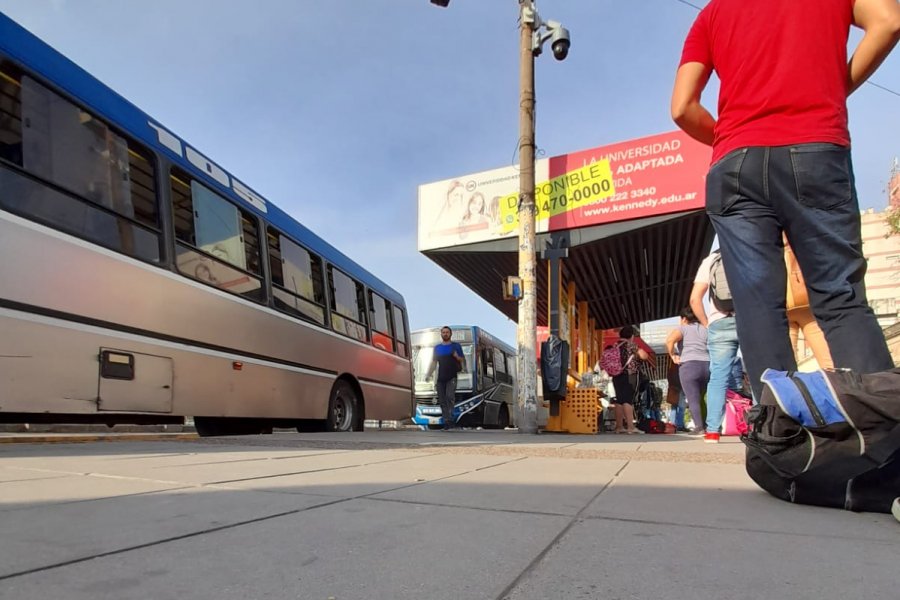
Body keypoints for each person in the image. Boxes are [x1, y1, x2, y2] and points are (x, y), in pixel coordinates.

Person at [671, 0, 899, 401]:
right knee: (839, 297)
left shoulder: (711, 14)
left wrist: (731, 139)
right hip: (814, 145)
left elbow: (682, 107)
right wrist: (834, 88)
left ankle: (786, 441)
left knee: (758, 309)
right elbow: (889, 20)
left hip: (734, 164)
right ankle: (882, 438)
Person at [690, 252, 742, 443]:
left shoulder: (712, 259)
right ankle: (764, 426)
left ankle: (712, 430)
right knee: (757, 372)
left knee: (718, 378)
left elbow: (695, 299)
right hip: (750, 318)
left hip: (719, 322)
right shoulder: (752, 246)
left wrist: (707, 323)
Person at [784, 234, 834, 370]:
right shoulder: (800, 236)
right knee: (828, 361)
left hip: (780, 307)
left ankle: (790, 389)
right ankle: (838, 387)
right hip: (807, 303)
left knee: (787, 365)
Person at [666, 306, 709, 436]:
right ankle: (709, 426)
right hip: (708, 365)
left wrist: (673, 355)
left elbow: (669, 340)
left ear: (684, 318)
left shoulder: (682, 328)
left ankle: (699, 427)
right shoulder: (706, 329)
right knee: (703, 398)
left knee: (693, 398)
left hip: (689, 365)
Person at [609, 325, 650, 435]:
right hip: (630, 374)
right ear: (631, 336)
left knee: (619, 400)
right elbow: (644, 356)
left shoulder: (615, 345)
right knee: (628, 400)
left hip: (616, 375)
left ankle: (619, 427)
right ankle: (631, 427)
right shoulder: (632, 345)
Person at [424, 326, 466, 430]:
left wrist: (457, 356)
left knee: (449, 397)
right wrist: (428, 374)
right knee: (442, 401)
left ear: (450, 334)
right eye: (443, 332)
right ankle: (446, 421)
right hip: (441, 378)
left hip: (452, 377)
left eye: (447, 332)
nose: (445, 334)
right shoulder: (437, 348)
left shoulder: (456, 346)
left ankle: (451, 420)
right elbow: (433, 363)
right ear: (441, 334)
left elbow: (462, 360)